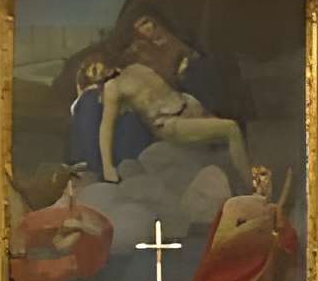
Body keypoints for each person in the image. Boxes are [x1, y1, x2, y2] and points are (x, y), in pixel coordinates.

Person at [99, 53, 253, 187]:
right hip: (170, 123)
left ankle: (241, 185)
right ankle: (251, 189)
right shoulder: (113, 87)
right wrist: (108, 168)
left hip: (187, 105)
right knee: (230, 129)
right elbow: (106, 128)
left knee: (223, 152)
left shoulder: (137, 67)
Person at [189, 165, 299, 281]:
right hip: (232, 271)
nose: (258, 181)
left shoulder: (274, 211)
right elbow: (218, 242)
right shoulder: (233, 205)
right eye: (254, 176)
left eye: (264, 175)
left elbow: (289, 243)